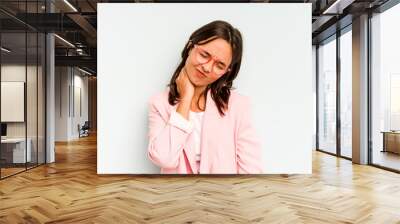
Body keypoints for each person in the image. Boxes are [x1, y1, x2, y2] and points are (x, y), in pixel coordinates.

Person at [147, 20, 263, 174]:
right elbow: (164, 159)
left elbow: (251, 172)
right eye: (204, 55)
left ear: (227, 71)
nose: (207, 68)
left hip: (225, 196)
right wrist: (186, 99)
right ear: (190, 47)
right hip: (177, 195)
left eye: (219, 65)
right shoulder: (159, 104)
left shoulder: (238, 105)